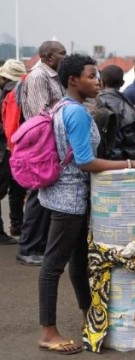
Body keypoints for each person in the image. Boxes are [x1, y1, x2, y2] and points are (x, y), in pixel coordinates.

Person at [37, 54, 135, 354]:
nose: (98, 81)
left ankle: (89, 317)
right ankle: (48, 332)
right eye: (91, 76)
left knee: (79, 261)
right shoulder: (77, 113)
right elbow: (85, 161)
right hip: (69, 200)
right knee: (53, 265)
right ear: (72, 80)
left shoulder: (63, 107)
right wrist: (133, 164)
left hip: (66, 197)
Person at [17, 40, 67, 266]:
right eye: (62, 53)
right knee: (38, 195)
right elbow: (41, 115)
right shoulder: (39, 76)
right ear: (48, 56)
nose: (65, 57)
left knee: (46, 196)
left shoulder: (53, 75)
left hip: (51, 142)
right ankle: (27, 248)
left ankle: (38, 245)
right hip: (42, 144)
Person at [0, 60, 27, 244]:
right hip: (14, 148)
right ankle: (17, 225)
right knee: (17, 189)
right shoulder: (20, 93)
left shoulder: (8, 93)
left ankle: (12, 227)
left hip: (6, 149)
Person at [96, 65, 135, 160]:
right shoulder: (128, 108)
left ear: (102, 81)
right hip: (120, 164)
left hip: (94, 162)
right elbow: (133, 147)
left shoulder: (91, 103)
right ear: (122, 83)